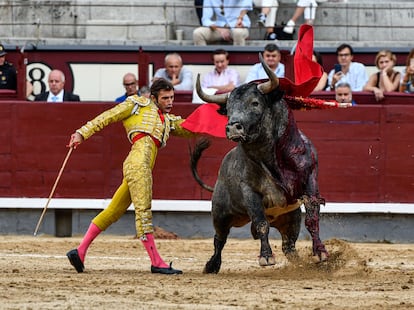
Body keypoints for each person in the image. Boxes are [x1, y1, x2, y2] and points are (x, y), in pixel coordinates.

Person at [66, 78, 196, 275]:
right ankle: (156, 262)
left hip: (139, 166)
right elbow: (107, 116)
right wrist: (81, 133)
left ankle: (80, 251)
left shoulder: (167, 120)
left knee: (113, 211)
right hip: (138, 165)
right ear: (153, 97)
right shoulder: (136, 104)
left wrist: (219, 118)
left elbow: (191, 127)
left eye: (172, 98)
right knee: (143, 211)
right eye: (165, 98)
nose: (170, 102)